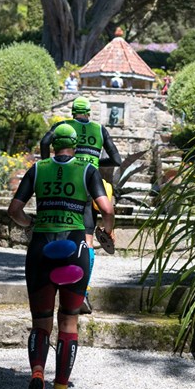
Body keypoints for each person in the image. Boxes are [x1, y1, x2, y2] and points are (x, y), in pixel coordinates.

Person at [8, 122, 114, 389]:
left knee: (40, 322)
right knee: (68, 321)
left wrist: (30, 224)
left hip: (41, 249)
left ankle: (37, 376)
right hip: (74, 251)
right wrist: (108, 232)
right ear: (76, 144)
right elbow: (106, 209)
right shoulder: (87, 169)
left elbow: (14, 211)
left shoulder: (37, 169)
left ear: (53, 144)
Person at [40, 96, 122, 313]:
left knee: (57, 233)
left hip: (65, 183)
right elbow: (117, 159)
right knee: (87, 240)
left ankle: (54, 288)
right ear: (89, 112)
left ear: (73, 111)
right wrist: (95, 162)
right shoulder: (100, 129)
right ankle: (81, 292)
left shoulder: (64, 127)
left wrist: (46, 162)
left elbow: (45, 142)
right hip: (89, 185)